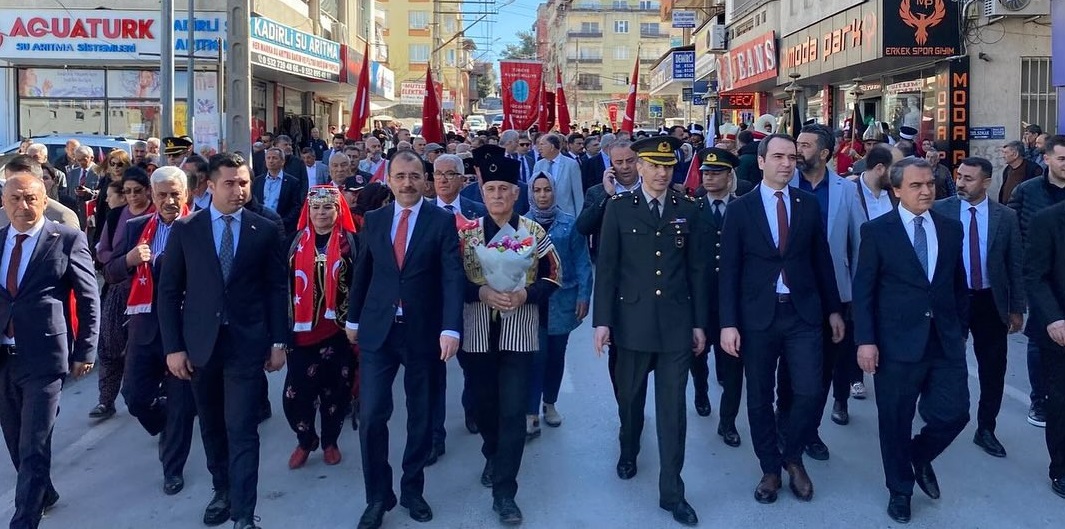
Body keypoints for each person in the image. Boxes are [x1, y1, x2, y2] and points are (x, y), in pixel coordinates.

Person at [157, 153, 289, 529]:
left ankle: (245, 514)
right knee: (212, 425)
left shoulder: (263, 229)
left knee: (242, 428)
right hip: (201, 347)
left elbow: (276, 288)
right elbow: (169, 293)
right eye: (230, 183)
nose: (239, 190)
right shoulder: (187, 230)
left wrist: (279, 341)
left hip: (247, 346)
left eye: (244, 182)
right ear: (210, 187)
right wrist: (173, 348)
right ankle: (223, 491)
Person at [718, 134, 844, 505]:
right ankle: (770, 468)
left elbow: (822, 260)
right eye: (778, 157)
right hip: (757, 317)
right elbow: (729, 271)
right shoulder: (741, 210)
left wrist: (834, 309)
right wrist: (728, 323)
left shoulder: (806, 205)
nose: (787, 163)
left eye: (792, 157)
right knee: (759, 397)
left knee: (808, 390)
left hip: (803, 313)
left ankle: (792, 456)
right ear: (760, 162)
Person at [345, 150, 465, 529]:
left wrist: (450, 328)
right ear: (390, 180)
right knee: (373, 415)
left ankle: (413, 489)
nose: (407, 183)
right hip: (379, 331)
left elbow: (451, 277)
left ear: (424, 179)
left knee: (421, 416)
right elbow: (363, 271)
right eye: (400, 176)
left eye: (415, 176)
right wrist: (352, 318)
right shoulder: (376, 220)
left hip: (422, 332)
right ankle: (377, 496)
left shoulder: (440, 222)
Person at [592, 136, 707, 526]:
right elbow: (607, 268)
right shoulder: (620, 209)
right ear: (638, 167)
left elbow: (697, 271)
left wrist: (698, 323)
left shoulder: (687, 209)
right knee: (630, 399)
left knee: (673, 411)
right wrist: (602, 322)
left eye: (668, 166)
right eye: (654, 166)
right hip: (632, 324)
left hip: (675, 325)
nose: (662, 173)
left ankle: (672, 492)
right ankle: (629, 447)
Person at [852, 157, 971, 523]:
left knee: (956, 413)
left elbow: (957, 284)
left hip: (944, 339)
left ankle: (918, 455)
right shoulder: (878, 231)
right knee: (895, 420)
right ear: (897, 190)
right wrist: (866, 340)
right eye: (917, 186)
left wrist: (960, 327)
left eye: (931, 184)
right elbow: (864, 291)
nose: (926, 191)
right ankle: (900, 490)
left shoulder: (951, 229)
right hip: (896, 343)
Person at [457, 145, 561, 525]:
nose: (498, 196)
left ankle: (505, 491)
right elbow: (454, 282)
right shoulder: (467, 234)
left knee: (514, 411)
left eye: (505, 189)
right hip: (477, 334)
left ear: (516, 193)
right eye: (491, 190)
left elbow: (553, 276)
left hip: (520, 335)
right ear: (481, 193)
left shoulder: (532, 232)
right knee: (484, 406)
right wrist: (481, 291)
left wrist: (524, 294)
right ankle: (492, 454)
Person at [0, 169, 100, 529]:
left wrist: (86, 351)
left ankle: (24, 520)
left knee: (33, 442)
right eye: (15, 198)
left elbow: (89, 298)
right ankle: (44, 491)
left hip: (44, 357)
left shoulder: (66, 238)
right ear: (4, 202)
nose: (23, 206)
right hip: (4, 357)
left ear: (44, 200)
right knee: (13, 439)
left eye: (31, 198)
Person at [104, 166, 196, 495]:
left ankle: (173, 468)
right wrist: (128, 259)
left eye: (176, 194)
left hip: (185, 331)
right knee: (135, 397)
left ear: (187, 195)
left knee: (182, 406)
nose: (169, 201)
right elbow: (112, 272)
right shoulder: (135, 228)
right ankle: (166, 425)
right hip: (145, 327)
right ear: (151, 197)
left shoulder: (200, 226)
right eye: (162, 195)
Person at [778, 124, 862, 460]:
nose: (798, 151)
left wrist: (854, 295)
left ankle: (810, 431)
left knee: (823, 368)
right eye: (797, 144)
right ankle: (783, 425)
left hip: (833, 294)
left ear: (825, 153)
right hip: (789, 291)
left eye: (806, 145)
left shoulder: (846, 190)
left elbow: (858, 243)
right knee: (788, 366)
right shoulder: (784, 183)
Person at [932, 157, 1025, 458]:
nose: (960, 183)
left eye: (969, 178)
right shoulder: (940, 210)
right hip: (952, 299)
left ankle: (986, 428)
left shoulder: (1005, 217)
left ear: (986, 182)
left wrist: (1016, 307)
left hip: (989, 300)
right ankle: (935, 413)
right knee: (943, 361)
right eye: (959, 176)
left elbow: (1014, 263)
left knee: (993, 368)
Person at [285, 186, 358, 469]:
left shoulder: (351, 244)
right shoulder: (293, 243)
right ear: (308, 210)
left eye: (327, 207)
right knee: (295, 395)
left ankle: (329, 441)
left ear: (338, 211)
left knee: (336, 392)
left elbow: (359, 284)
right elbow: (282, 287)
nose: (321, 213)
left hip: (338, 332)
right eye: (315, 208)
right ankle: (306, 440)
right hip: (301, 334)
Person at [524, 171, 592, 439]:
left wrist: (584, 295)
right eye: (537, 190)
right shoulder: (522, 224)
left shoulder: (569, 223)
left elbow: (582, 261)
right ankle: (530, 411)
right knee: (533, 357)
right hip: (531, 303)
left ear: (555, 192)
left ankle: (549, 402)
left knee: (555, 355)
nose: (542, 196)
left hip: (562, 301)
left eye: (547, 190)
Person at [687, 147, 745, 447]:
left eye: (716, 172)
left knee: (734, 364)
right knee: (698, 354)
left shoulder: (742, 208)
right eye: (706, 172)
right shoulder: (691, 209)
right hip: (700, 298)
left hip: (734, 301)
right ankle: (699, 390)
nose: (709, 178)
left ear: (729, 175)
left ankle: (728, 421)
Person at [1008, 134, 1065, 428]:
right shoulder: (1028, 191)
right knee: (1040, 336)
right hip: (1037, 275)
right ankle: (1039, 398)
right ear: (1046, 159)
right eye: (1062, 159)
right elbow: (1013, 232)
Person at [91, 168, 155, 421]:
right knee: (109, 345)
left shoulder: (155, 215)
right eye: (127, 192)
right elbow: (102, 251)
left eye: (137, 191)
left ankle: (143, 395)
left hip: (147, 288)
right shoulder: (117, 215)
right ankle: (105, 401)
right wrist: (122, 260)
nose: (132, 196)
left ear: (148, 190)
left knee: (140, 346)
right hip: (118, 287)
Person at [431, 154, 487, 438]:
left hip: (471, 302)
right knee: (432, 374)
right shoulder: (423, 211)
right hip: (432, 304)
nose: (442, 179)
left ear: (463, 179)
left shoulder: (479, 212)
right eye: (437, 173)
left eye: (450, 174)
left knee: (474, 366)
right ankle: (435, 435)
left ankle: (472, 410)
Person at [1024, 199, 1065, 499]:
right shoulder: (1048, 220)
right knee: (1062, 402)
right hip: (1062, 329)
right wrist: (1053, 318)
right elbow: (1035, 275)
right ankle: (1061, 469)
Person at [0, 156, 81, 230]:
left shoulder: (63, 217)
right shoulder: (1, 216)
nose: (16, 187)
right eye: (10, 182)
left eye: (24, 182)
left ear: (41, 182)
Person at [251, 148, 303, 235]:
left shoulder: (292, 182)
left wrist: (283, 222)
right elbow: (253, 203)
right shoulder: (258, 181)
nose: (271, 161)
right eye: (268, 158)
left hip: (282, 227)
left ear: (282, 161)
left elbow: (296, 206)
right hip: (260, 226)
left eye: (274, 158)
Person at [532, 134, 584, 217]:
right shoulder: (538, 165)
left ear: (552, 147)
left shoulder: (571, 165)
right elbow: (533, 192)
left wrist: (578, 219)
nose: (539, 148)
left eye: (542, 144)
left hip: (567, 216)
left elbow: (578, 195)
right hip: (544, 216)